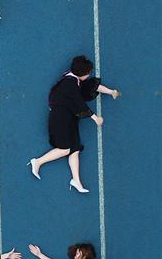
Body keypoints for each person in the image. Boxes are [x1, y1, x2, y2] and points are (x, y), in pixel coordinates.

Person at [28, 55, 119, 193]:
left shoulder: (73, 78)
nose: (89, 75)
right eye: (88, 72)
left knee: (75, 148)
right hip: (59, 119)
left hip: (69, 118)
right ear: (81, 73)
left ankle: (76, 181)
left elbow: (92, 86)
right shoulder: (70, 85)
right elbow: (80, 104)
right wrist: (95, 118)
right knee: (65, 149)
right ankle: (37, 161)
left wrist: (111, 92)